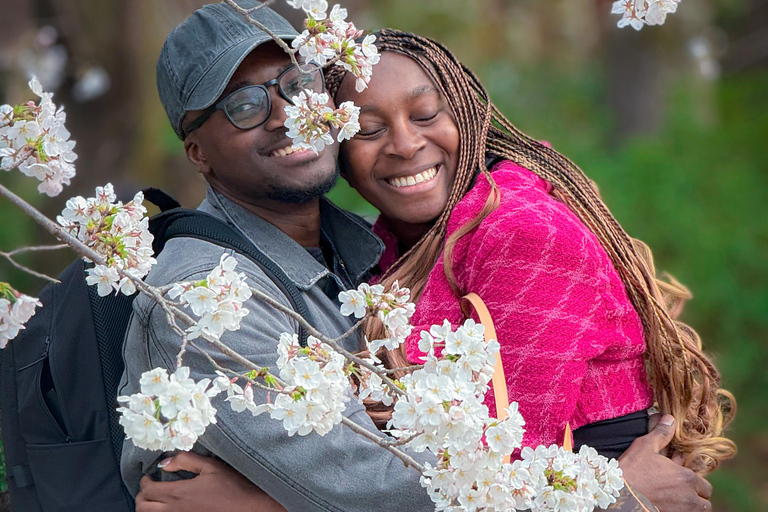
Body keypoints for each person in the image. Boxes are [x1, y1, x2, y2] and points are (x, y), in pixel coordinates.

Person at [128, 3, 720, 511]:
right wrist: (615, 495)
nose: (285, 114)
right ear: (198, 151)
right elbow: (361, 483)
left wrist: (259, 504)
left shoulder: (402, 247)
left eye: (295, 84)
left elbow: (486, 459)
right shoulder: (203, 299)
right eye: (243, 105)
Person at [326, 29, 735, 471]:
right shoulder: (389, 244)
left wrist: (623, 492)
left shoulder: (523, 233)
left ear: (468, 117)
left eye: (425, 114)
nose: (406, 145)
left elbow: (506, 457)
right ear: (338, 157)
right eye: (369, 130)